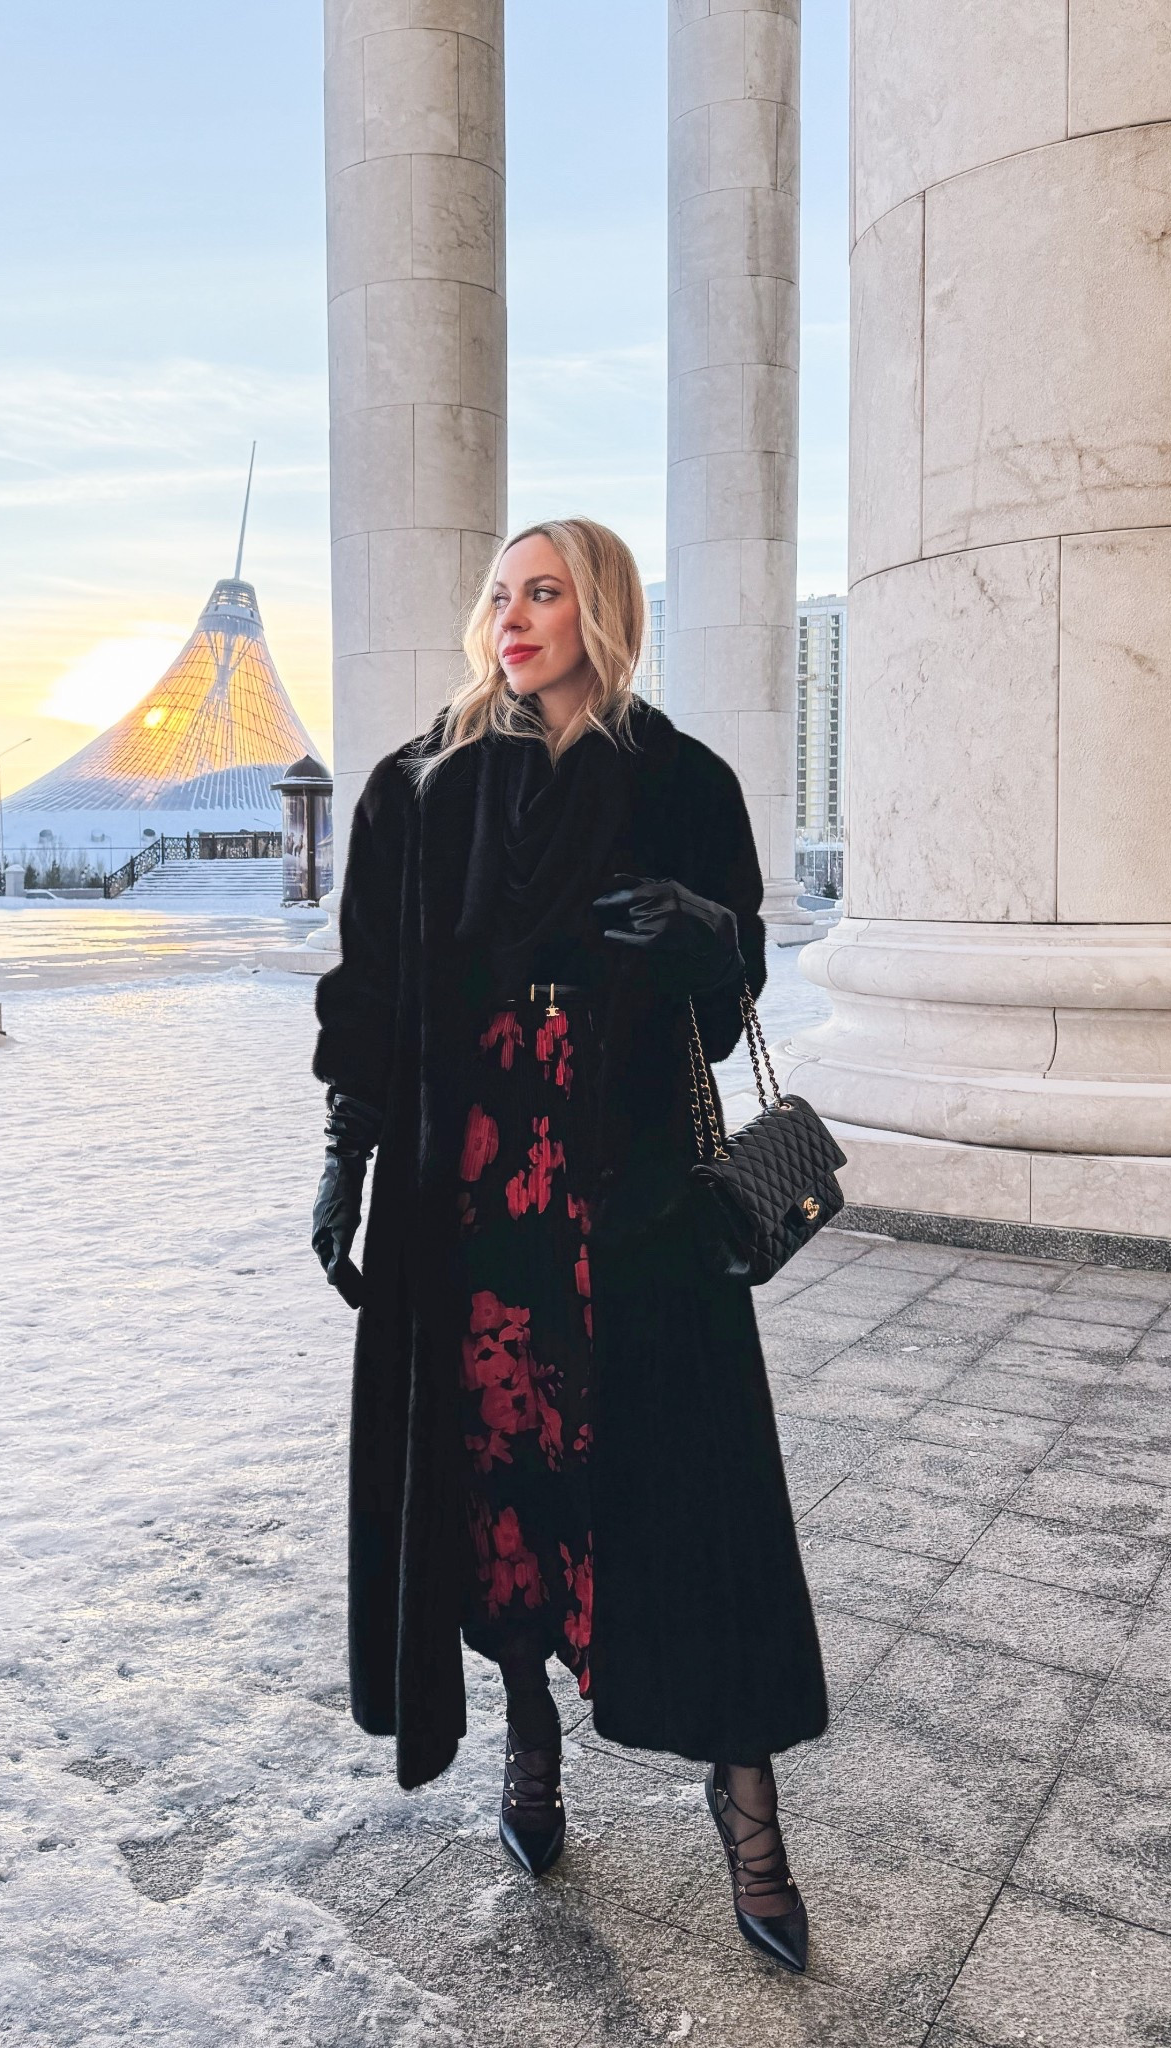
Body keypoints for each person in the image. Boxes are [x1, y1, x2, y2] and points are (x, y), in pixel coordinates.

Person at [310, 517, 827, 1975]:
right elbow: (370, 993)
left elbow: (731, 1012)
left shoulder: (682, 779)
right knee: (498, 1482)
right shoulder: (420, 787)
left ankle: (751, 1821)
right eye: (499, 592)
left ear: (603, 610)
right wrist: (346, 1160)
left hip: (637, 1195)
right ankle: (529, 1739)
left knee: (694, 1488)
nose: (514, 615)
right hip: (469, 1201)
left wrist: (707, 935)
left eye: (546, 591)